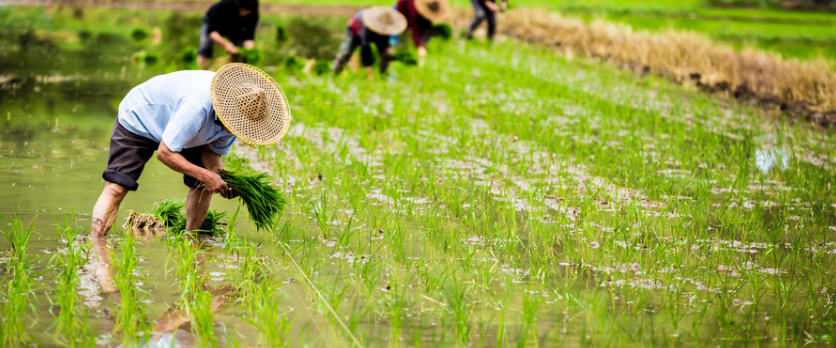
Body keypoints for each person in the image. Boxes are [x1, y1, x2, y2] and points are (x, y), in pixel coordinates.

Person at [90, 63, 291, 239]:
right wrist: (205, 175)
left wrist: (221, 179)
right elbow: (165, 153)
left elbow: (211, 153)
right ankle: (96, 247)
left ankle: (191, 241)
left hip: (184, 130)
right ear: (226, 110)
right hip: (140, 117)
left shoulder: (238, 120)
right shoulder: (197, 106)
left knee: (203, 186)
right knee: (117, 187)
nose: (236, 130)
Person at [332, 7, 407, 79]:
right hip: (355, 28)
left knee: (385, 53)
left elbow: (383, 47)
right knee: (346, 52)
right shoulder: (368, 26)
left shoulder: (386, 29)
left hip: (372, 33)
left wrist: (389, 54)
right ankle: (334, 73)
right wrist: (370, 73)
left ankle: (384, 75)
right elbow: (365, 49)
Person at [198, 0, 259, 70]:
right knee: (205, 48)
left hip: (235, 26)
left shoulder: (253, 12)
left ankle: (231, 73)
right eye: (243, 11)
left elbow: (249, 36)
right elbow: (212, 32)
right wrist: (226, 44)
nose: (244, 14)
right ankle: (204, 72)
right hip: (213, 23)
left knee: (240, 52)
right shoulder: (223, 5)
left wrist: (248, 50)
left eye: (248, 12)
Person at [393, 0, 450, 67]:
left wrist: (429, 32)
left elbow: (427, 22)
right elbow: (414, 27)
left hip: (416, 17)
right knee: (401, 42)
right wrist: (419, 46)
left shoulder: (426, 8)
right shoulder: (413, 9)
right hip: (401, 13)